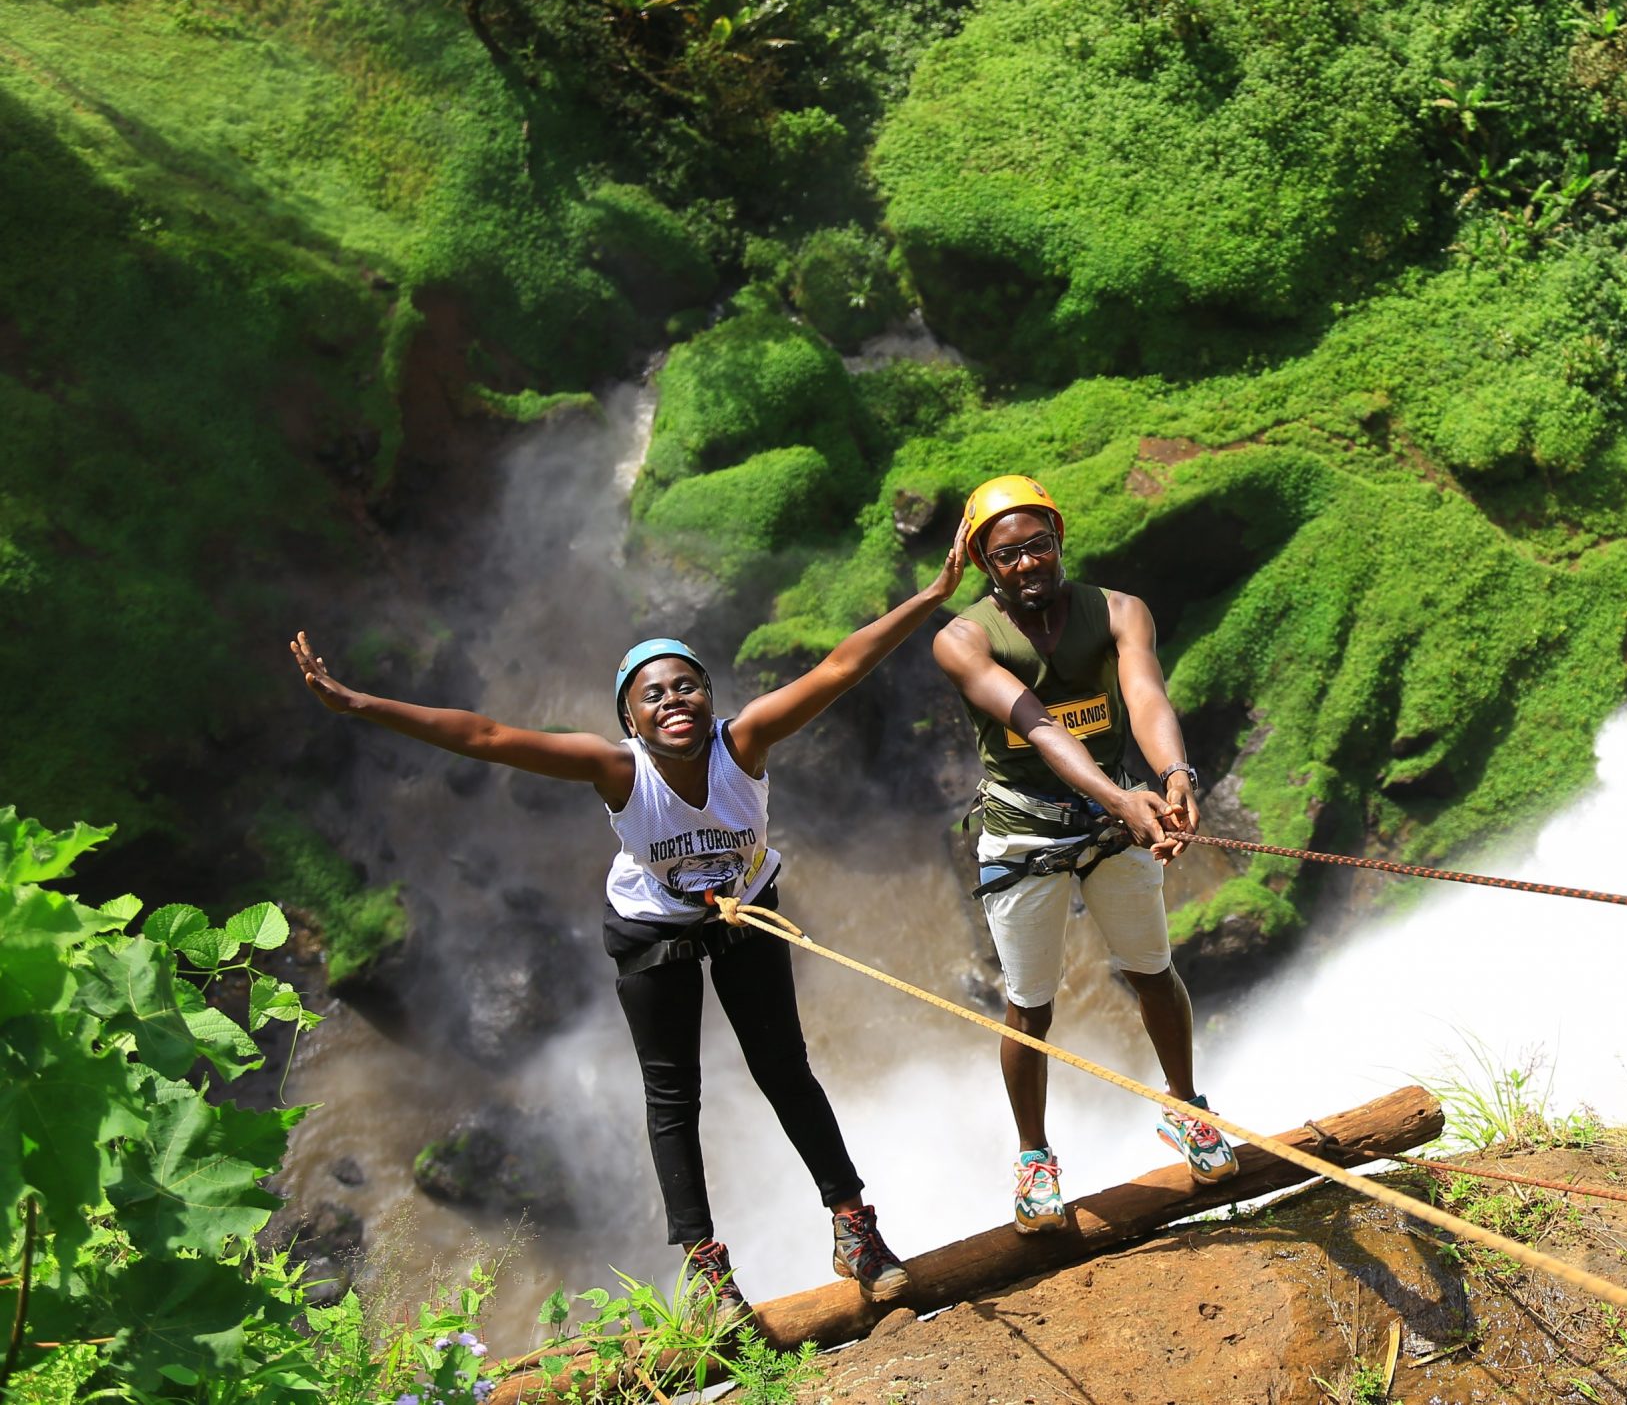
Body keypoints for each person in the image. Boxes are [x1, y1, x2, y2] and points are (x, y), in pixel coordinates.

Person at [286, 525, 967, 1326]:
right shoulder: (616, 771)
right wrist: (358, 702)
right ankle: (708, 1272)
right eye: (653, 694)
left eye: (687, 686)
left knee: (785, 1069)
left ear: (710, 699)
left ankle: (856, 1230)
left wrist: (929, 596)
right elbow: (487, 736)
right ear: (631, 722)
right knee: (673, 1095)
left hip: (746, 912)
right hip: (654, 931)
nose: (673, 700)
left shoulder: (743, 745)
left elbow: (840, 668)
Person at [930, 474, 1239, 1234]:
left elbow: (1145, 696)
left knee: (1153, 971)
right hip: (1026, 831)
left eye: (1039, 545)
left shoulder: (1119, 611)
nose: (1028, 563)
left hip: (1115, 818)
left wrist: (1172, 776)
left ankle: (1187, 1109)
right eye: (1007, 555)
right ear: (983, 565)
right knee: (1029, 1005)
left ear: (1059, 540)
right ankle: (1034, 1156)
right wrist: (1121, 799)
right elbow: (1036, 724)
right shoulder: (962, 640)